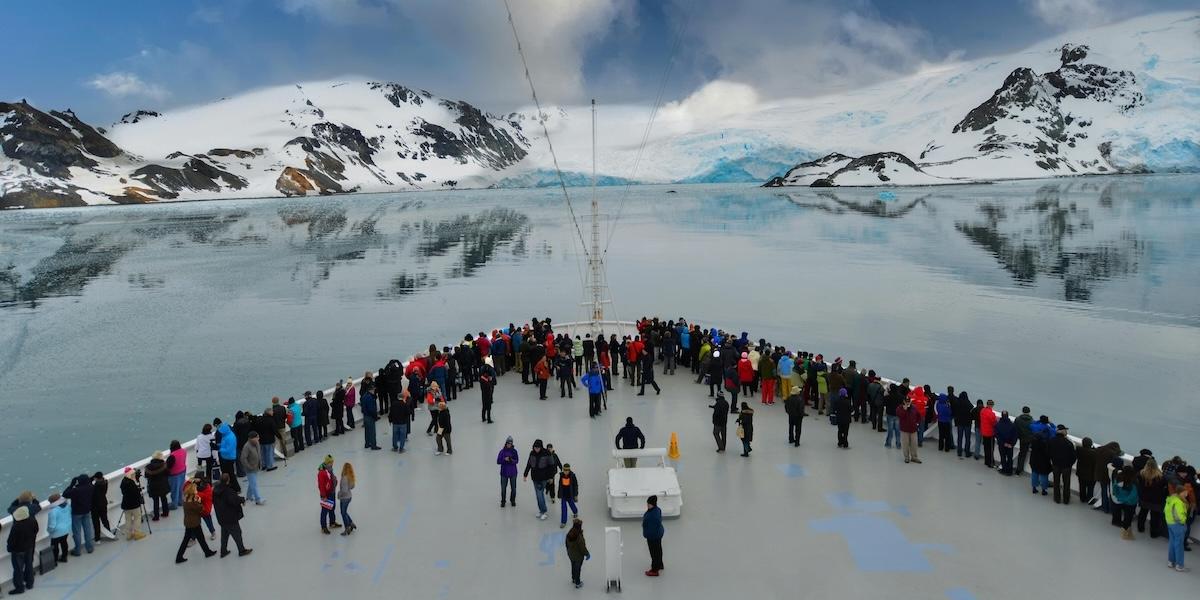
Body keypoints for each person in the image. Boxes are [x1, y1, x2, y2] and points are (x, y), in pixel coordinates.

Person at [175, 481, 216, 563]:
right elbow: (201, 509)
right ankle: (207, 552)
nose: (196, 491)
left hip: (188, 522)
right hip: (194, 523)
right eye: (195, 490)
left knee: (187, 539)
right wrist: (199, 501)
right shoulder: (193, 502)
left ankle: (179, 556)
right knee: (200, 538)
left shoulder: (186, 499)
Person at [213, 473, 252, 557]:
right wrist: (242, 500)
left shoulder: (215, 491)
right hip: (230, 517)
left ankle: (223, 551)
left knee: (225, 534)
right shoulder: (228, 491)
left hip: (221, 517)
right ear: (228, 480)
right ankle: (241, 550)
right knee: (237, 533)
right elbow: (234, 500)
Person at [6, 505, 38, 594]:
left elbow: (11, 540)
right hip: (29, 547)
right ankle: (30, 583)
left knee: (18, 570)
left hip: (18, 551)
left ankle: (20, 588)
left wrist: (9, 548)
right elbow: (36, 530)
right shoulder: (32, 521)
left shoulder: (16, 526)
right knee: (29, 565)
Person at [62, 473, 95, 555]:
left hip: (77, 513)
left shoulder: (76, 490)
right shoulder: (91, 487)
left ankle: (77, 550)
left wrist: (71, 484)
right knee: (88, 530)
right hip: (87, 511)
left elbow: (65, 494)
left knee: (77, 532)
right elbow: (89, 482)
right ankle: (89, 548)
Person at [524, 439, 556, 520]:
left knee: (539, 494)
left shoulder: (547, 453)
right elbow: (529, 464)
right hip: (534, 477)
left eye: (538, 448)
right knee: (538, 495)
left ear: (541, 447)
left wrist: (551, 477)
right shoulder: (532, 453)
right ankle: (541, 511)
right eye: (535, 447)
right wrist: (525, 474)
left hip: (543, 478)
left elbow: (552, 466)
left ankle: (544, 511)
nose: (536, 449)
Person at [1136, 458, 1167, 538]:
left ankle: (1140, 528)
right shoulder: (1161, 477)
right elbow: (1164, 488)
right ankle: (1153, 533)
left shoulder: (1141, 474)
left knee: (1142, 513)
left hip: (1144, 498)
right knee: (1155, 517)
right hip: (1156, 500)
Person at [1048, 425, 1077, 505]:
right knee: (1066, 483)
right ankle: (1066, 499)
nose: (1066, 432)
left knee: (1056, 482)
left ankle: (1057, 498)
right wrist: (1070, 464)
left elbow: (1049, 452)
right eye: (1065, 430)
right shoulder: (1069, 443)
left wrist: (1053, 461)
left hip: (1056, 465)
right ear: (1062, 431)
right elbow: (1073, 456)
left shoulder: (1052, 441)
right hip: (1066, 466)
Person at [1093, 440, 1123, 513]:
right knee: (1111, 492)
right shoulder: (1113, 454)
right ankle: (1111, 508)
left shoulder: (1100, 449)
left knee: (1104, 491)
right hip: (1109, 475)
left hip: (1099, 473)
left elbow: (1095, 450)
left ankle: (1104, 507)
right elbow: (1118, 459)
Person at [1166, 482, 1190, 572]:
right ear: (1181, 493)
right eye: (1185, 492)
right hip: (1178, 525)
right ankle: (1179, 565)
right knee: (1179, 545)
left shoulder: (1171, 499)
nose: (1187, 493)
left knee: (1172, 542)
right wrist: (1183, 523)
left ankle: (1170, 561)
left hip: (1170, 523)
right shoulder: (1179, 502)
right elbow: (1180, 516)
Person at [118, 468, 146, 541]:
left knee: (128, 520)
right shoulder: (131, 483)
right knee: (137, 518)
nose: (134, 475)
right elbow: (135, 493)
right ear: (130, 474)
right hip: (134, 504)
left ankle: (128, 535)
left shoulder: (123, 482)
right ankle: (137, 533)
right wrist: (139, 489)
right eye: (133, 474)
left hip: (126, 504)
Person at [1111, 465, 1139, 539]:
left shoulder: (1118, 478)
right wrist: (1126, 499)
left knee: (1125, 517)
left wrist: (1118, 497)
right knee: (1128, 518)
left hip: (1121, 501)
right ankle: (1126, 534)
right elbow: (1134, 494)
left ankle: (1126, 533)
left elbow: (1114, 488)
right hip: (1130, 503)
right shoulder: (1134, 481)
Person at [240, 431, 265, 505]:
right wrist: (249, 467)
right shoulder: (246, 446)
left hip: (256, 467)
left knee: (252, 482)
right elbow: (243, 458)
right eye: (257, 437)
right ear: (252, 438)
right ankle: (258, 500)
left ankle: (249, 496)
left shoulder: (256, 443)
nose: (258, 438)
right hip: (250, 469)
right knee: (254, 484)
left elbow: (258, 453)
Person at [564, 518, 591, 589]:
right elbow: (582, 548)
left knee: (573, 566)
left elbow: (566, 543)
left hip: (571, 555)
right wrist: (587, 554)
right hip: (578, 557)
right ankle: (578, 583)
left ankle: (573, 578)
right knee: (577, 569)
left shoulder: (569, 533)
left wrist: (568, 551)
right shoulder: (579, 537)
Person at [642, 495, 665, 577]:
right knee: (658, 550)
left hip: (653, 537)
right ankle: (660, 564)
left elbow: (651, 527)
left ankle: (655, 570)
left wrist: (647, 534)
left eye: (649, 504)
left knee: (654, 552)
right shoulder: (657, 510)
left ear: (653, 504)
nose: (647, 505)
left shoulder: (652, 516)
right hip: (658, 534)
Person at [318, 456, 341, 534]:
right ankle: (323, 526)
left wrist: (335, 480)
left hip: (332, 492)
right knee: (324, 511)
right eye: (331, 462)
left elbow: (331, 478)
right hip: (326, 495)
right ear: (327, 462)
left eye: (332, 462)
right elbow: (321, 485)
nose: (332, 464)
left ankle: (332, 523)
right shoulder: (322, 472)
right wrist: (323, 496)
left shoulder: (330, 469)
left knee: (332, 508)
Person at [145, 452, 171, 520]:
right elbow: (168, 473)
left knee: (155, 501)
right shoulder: (164, 465)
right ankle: (165, 513)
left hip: (153, 487)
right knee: (164, 499)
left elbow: (146, 476)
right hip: (163, 485)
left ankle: (156, 517)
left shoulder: (148, 467)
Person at [216, 420, 240, 492]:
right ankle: (230, 487)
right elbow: (225, 445)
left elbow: (229, 449)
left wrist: (220, 449)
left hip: (229, 457)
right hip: (225, 457)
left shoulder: (230, 437)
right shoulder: (226, 435)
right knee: (227, 473)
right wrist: (219, 445)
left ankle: (237, 488)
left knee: (231, 473)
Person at [46, 493, 71, 564]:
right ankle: (64, 557)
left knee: (54, 547)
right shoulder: (67, 506)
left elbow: (52, 525)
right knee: (64, 543)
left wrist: (49, 531)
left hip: (56, 533)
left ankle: (55, 560)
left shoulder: (53, 511)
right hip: (66, 529)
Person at [898, 395, 922, 464]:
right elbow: (900, 415)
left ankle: (914, 457)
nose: (908, 403)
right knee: (905, 444)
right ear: (903, 401)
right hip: (904, 430)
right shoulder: (900, 408)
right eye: (906, 401)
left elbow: (918, 416)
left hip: (913, 430)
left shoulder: (914, 408)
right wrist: (904, 410)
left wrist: (917, 423)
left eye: (909, 401)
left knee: (914, 444)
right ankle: (906, 457)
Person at [1029, 428, 1052, 496]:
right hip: (1043, 462)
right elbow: (1048, 453)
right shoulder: (1046, 443)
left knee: (1034, 473)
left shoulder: (1034, 440)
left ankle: (1034, 488)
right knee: (1044, 475)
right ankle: (1043, 490)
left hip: (1034, 460)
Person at [497, 437, 519, 508]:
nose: (509, 444)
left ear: (512, 444)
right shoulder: (502, 451)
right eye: (508, 443)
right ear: (506, 443)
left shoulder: (514, 451)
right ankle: (503, 501)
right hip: (504, 473)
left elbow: (517, 461)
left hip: (513, 473)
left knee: (513, 488)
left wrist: (511, 460)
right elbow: (498, 461)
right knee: (503, 488)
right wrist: (504, 459)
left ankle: (513, 500)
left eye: (510, 443)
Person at [388, 387, 411, 453]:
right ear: (403, 397)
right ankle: (401, 448)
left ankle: (395, 447)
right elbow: (408, 413)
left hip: (395, 423)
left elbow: (391, 413)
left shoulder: (393, 404)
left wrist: (390, 420)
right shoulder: (405, 405)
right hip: (403, 423)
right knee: (402, 436)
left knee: (395, 435)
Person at [994, 411, 1017, 475]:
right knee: (1010, 457)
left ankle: (1004, 470)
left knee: (1003, 457)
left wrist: (1003, 443)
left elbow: (997, 435)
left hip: (1002, 444)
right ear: (1008, 416)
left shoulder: (998, 425)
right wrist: (1012, 444)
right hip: (1010, 444)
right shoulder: (1012, 425)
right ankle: (1009, 471)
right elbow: (1015, 436)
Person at [557, 464, 580, 528]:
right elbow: (560, 485)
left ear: (569, 470)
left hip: (570, 495)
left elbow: (575, 486)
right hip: (563, 495)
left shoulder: (572, 476)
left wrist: (575, 495)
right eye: (565, 470)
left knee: (572, 504)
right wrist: (559, 494)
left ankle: (575, 512)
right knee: (564, 508)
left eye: (567, 470)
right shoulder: (561, 476)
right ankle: (563, 522)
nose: (566, 471)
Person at [1076, 438, 1097, 504]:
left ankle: (1082, 499)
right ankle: (1089, 499)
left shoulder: (1079, 449)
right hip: (1090, 474)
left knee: (1082, 486)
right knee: (1090, 488)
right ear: (1090, 444)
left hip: (1080, 472)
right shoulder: (1094, 453)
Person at [338, 463, 357, 536]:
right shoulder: (350, 477)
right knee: (344, 512)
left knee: (343, 513)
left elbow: (344, 491)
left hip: (344, 498)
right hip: (349, 497)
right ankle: (351, 523)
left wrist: (339, 494)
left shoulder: (344, 478)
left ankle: (347, 528)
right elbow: (352, 486)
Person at [360, 383, 380, 450]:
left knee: (367, 431)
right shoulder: (370, 398)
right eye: (374, 390)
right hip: (370, 417)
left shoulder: (364, 396)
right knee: (372, 432)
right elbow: (371, 409)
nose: (374, 391)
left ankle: (367, 444)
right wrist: (375, 416)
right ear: (371, 390)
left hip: (365, 416)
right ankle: (373, 446)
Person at [953, 392, 973, 458]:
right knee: (967, 438)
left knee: (960, 438)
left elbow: (955, 412)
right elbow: (971, 408)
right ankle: (967, 452)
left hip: (959, 423)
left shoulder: (957, 403)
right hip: (967, 423)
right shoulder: (968, 404)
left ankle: (959, 452)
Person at [1014, 406, 1034, 473]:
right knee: (1023, 454)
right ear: (1029, 412)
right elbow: (1033, 431)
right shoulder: (1032, 421)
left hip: (1021, 438)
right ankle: (1020, 469)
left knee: (1021, 453)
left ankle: (1018, 468)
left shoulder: (1018, 419)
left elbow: (1015, 428)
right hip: (1028, 440)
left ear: (1023, 411)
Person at [979, 399, 998, 468]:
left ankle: (986, 461)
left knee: (986, 448)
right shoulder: (991, 414)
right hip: (990, 433)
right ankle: (990, 463)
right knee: (990, 449)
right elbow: (994, 423)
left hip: (983, 432)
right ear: (992, 405)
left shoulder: (982, 411)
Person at [480, 356, 497, 423]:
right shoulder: (490, 369)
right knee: (489, 406)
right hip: (488, 392)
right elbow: (493, 376)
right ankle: (489, 419)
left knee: (484, 405)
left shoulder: (482, 376)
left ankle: (483, 418)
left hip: (483, 392)